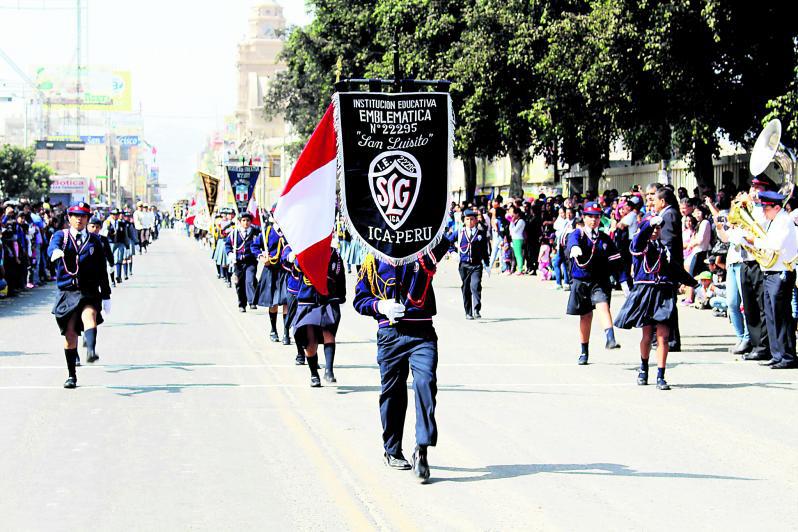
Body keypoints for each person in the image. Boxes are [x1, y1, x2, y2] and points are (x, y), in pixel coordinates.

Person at [353, 238, 450, 483]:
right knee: (392, 393)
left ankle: (422, 447)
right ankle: (392, 449)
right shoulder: (373, 259)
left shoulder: (422, 250)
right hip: (390, 334)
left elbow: (443, 238)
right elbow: (359, 300)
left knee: (425, 383)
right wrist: (380, 306)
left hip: (421, 332)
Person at [615, 216, 698, 390]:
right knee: (647, 336)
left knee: (663, 336)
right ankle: (644, 369)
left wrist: (692, 283)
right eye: (652, 228)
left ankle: (661, 375)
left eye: (658, 228)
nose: (655, 231)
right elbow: (640, 236)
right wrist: (649, 224)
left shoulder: (664, 249)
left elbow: (675, 268)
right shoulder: (639, 246)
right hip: (646, 292)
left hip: (664, 293)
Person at [47, 202, 112, 388]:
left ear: (87, 218)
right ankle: (71, 375)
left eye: (83, 216)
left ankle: (91, 350)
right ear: (69, 218)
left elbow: (101, 269)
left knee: (90, 315)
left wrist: (106, 295)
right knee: (70, 334)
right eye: (75, 215)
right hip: (67, 291)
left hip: (88, 290)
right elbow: (52, 247)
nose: (79, 218)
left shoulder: (94, 241)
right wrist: (55, 253)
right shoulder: (62, 236)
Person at [566, 202, 628, 365]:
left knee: (603, 305)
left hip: (599, 280)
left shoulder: (605, 238)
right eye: (590, 217)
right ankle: (584, 350)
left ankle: (610, 338)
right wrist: (574, 248)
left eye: (597, 217)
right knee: (585, 316)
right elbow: (571, 240)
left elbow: (616, 260)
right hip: (581, 280)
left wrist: (624, 281)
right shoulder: (578, 234)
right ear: (584, 218)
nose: (594, 220)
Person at [742, 190, 798, 369]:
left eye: (766, 207)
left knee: (781, 315)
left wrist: (754, 242)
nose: (764, 211)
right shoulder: (774, 221)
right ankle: (777, 354)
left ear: (776, 207)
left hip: (781, 272)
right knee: (771, 315)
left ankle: (788, 356)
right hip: (770, 272)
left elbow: (775, 245)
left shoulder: (784, 221)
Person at [292, 248, 346, 385]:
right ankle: (314, 374)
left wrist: (341, 295)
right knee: (310, 342)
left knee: (328, 332)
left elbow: (340, 275)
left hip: (328, 298)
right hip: (308, 299)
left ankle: (329, 370)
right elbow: (297, 268)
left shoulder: (334, 254)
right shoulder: (305, 250)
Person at [252, 221, 289, 342]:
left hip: (286, 270)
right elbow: (255, 246)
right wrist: (262, 257)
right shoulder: (267, 231)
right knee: (273, 302)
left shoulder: (289, 229)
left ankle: (286, 332)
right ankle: (273, 329)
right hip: (271, 270)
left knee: (286, 301)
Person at [452, 209, 489, 319]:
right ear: (464, 220)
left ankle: (476, 309)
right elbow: (447, 242)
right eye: (467, 219)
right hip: (464, 265)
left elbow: (484, 251)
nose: (469, 221)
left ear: (476, 220)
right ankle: (468, 312)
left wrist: (487, 265)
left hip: (476, 265)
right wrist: (452, 252)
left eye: (472, 219)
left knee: (475, 285)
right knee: (466, 288)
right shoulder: (459, 232)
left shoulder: (480, 234)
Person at [225, 212, 259, 312]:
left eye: (248, 220)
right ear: (239, 222)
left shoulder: (255, 232)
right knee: (239, 284)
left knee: (250, 279)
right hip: (238, 262)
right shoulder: (234, 233)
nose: (246, 223)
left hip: (250, 261)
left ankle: (252, 301)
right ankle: (242, 304)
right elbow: (227, 245)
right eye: (243, 220)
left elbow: (262, 242)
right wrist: (230, 254)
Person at [102, 208, 129, 284]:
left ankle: (118, 276)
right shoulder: (107, 222)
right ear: (111, 215)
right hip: (110, 243)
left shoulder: (122, 223)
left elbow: (125, 234)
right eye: (114, 214)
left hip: (120, 242)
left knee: (119, 259)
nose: (116, 216)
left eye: (117, 214)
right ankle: (112, 278)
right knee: (111, 261)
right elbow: (104, 234)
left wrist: (126, 245)